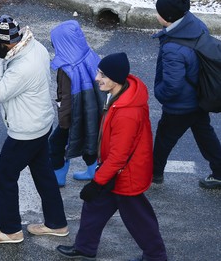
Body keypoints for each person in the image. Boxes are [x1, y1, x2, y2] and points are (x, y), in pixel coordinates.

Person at [57, 52, 168, 261]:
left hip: (125, 175)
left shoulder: (127, 113)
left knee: (138, 218)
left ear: (115, 79)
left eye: (102, 74)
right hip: (117, 171)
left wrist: (97, 182)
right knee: (94, 207)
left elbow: (119, 155)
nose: (97, 78)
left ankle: (156, 256)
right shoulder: (121, 95)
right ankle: (85, 247)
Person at [0, 15, 68, 244]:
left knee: (4, 178)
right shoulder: (34, 46)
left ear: (3, 43)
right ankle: (56, 223)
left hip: (25, 131)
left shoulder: (22, 67)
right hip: (41, 123)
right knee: (43, 173)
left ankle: (10, 231)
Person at [151, 0, 221, 189]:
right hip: (201, 96)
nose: (156, 15)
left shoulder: (173, 48)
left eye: (159, 12)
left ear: (168, 18)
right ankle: (219, 172)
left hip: (181, 105)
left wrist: (160, 94)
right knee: (205, 134)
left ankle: (155, 175)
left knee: (164, 139)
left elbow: (173, 84)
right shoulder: (196, 24)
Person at [49, 20, 105, 186]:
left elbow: (66, 98)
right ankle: (92, 171)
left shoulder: (67, 68)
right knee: (91, 140)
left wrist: (64, 123)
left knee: (56, 144)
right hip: (93, 110)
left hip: (75, 114)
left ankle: (58, 176)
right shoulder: (89, 55)